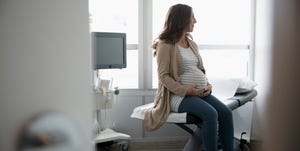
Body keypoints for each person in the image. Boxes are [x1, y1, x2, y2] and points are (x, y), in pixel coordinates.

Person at [144, 4, 234, 151]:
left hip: (199, 94)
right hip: (177, 96)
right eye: (192, 17)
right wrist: (187, 91)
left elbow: (200, 70)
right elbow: (163, 77)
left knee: (226, 113)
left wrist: (208, 85)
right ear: (182, 19)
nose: (195, 21)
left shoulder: (191, 44)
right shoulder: (165, 44)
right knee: (211, 114)